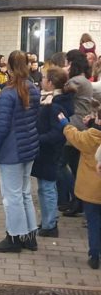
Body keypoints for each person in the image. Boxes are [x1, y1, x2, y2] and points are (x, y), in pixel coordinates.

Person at [0, 50, 40, 253]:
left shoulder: (8, 93)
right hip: (29, 147)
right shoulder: (33, 88)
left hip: (11, 151)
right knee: (25, 193)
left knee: (12, 197)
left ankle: (14, 238)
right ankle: (30, 236)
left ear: (9, 67)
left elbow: (0, 128)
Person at [31, 66, 74, 238]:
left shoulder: (56, 105)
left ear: (50, 82)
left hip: (49, 152)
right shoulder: (53, 101)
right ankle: (48, 220)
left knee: (47, 187)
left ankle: (50, 224)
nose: (41, 81)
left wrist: (39, 139)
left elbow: (57, 132)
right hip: (47, 151)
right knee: (45, 187)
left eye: (43, 78)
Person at [59, 112, 101, 269]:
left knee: (93, 222)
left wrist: (64, 123)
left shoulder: (90, 136)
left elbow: (74, 136)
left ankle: (94, 255)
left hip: (90, 190)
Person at [61, 50, 93, 217]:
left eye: (67, 63)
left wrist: (62, 75)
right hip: (82, 126)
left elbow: (63, 90)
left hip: (74, 125)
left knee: (61, 164)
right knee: (74, 166)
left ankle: (76, 198)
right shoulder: (85, 80)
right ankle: (78, 201)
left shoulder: (76, 81)